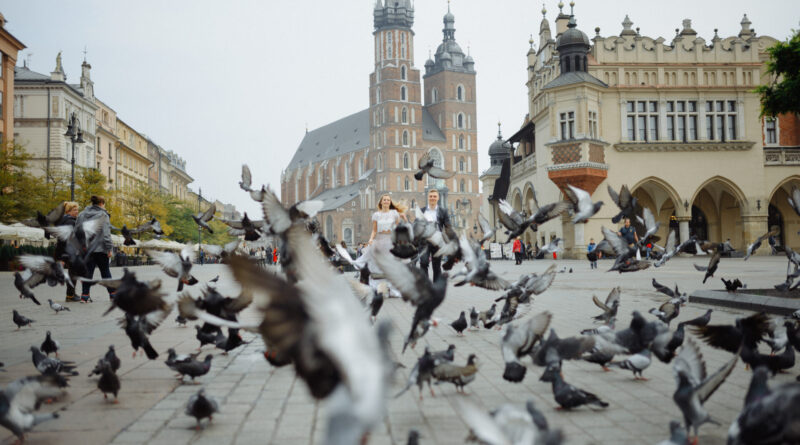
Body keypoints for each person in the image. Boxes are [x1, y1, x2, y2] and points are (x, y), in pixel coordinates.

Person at [77, 195, 115, 303]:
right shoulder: (103, 215)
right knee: (105, 272)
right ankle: (113, 294)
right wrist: (109, 248)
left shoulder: (82, 214)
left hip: (87, 249)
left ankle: (84, 296)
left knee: (88, 272)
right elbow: (106, 234)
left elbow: (77, 231)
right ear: (101, 204)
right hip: (101, 248)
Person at [418, 189, 451, 281]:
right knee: (423, 263)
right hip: (424, 242)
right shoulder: (422, 210)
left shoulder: (443, 211)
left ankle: (436, 287)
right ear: (428, 197)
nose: (432, 198)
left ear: (438, 198)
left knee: (436, 266)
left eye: (434, 196)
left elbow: (448, 226)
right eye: (431, 196)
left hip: (437, 242)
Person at [54, 201, 79, 302]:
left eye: (77, 209)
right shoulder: (70, 221)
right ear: (68, 211)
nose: (77, 211)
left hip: (62, 249)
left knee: (73, 272)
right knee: (74, 273)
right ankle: (70, 295)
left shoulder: (62, 220)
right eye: (74, 210)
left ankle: (71, 294)